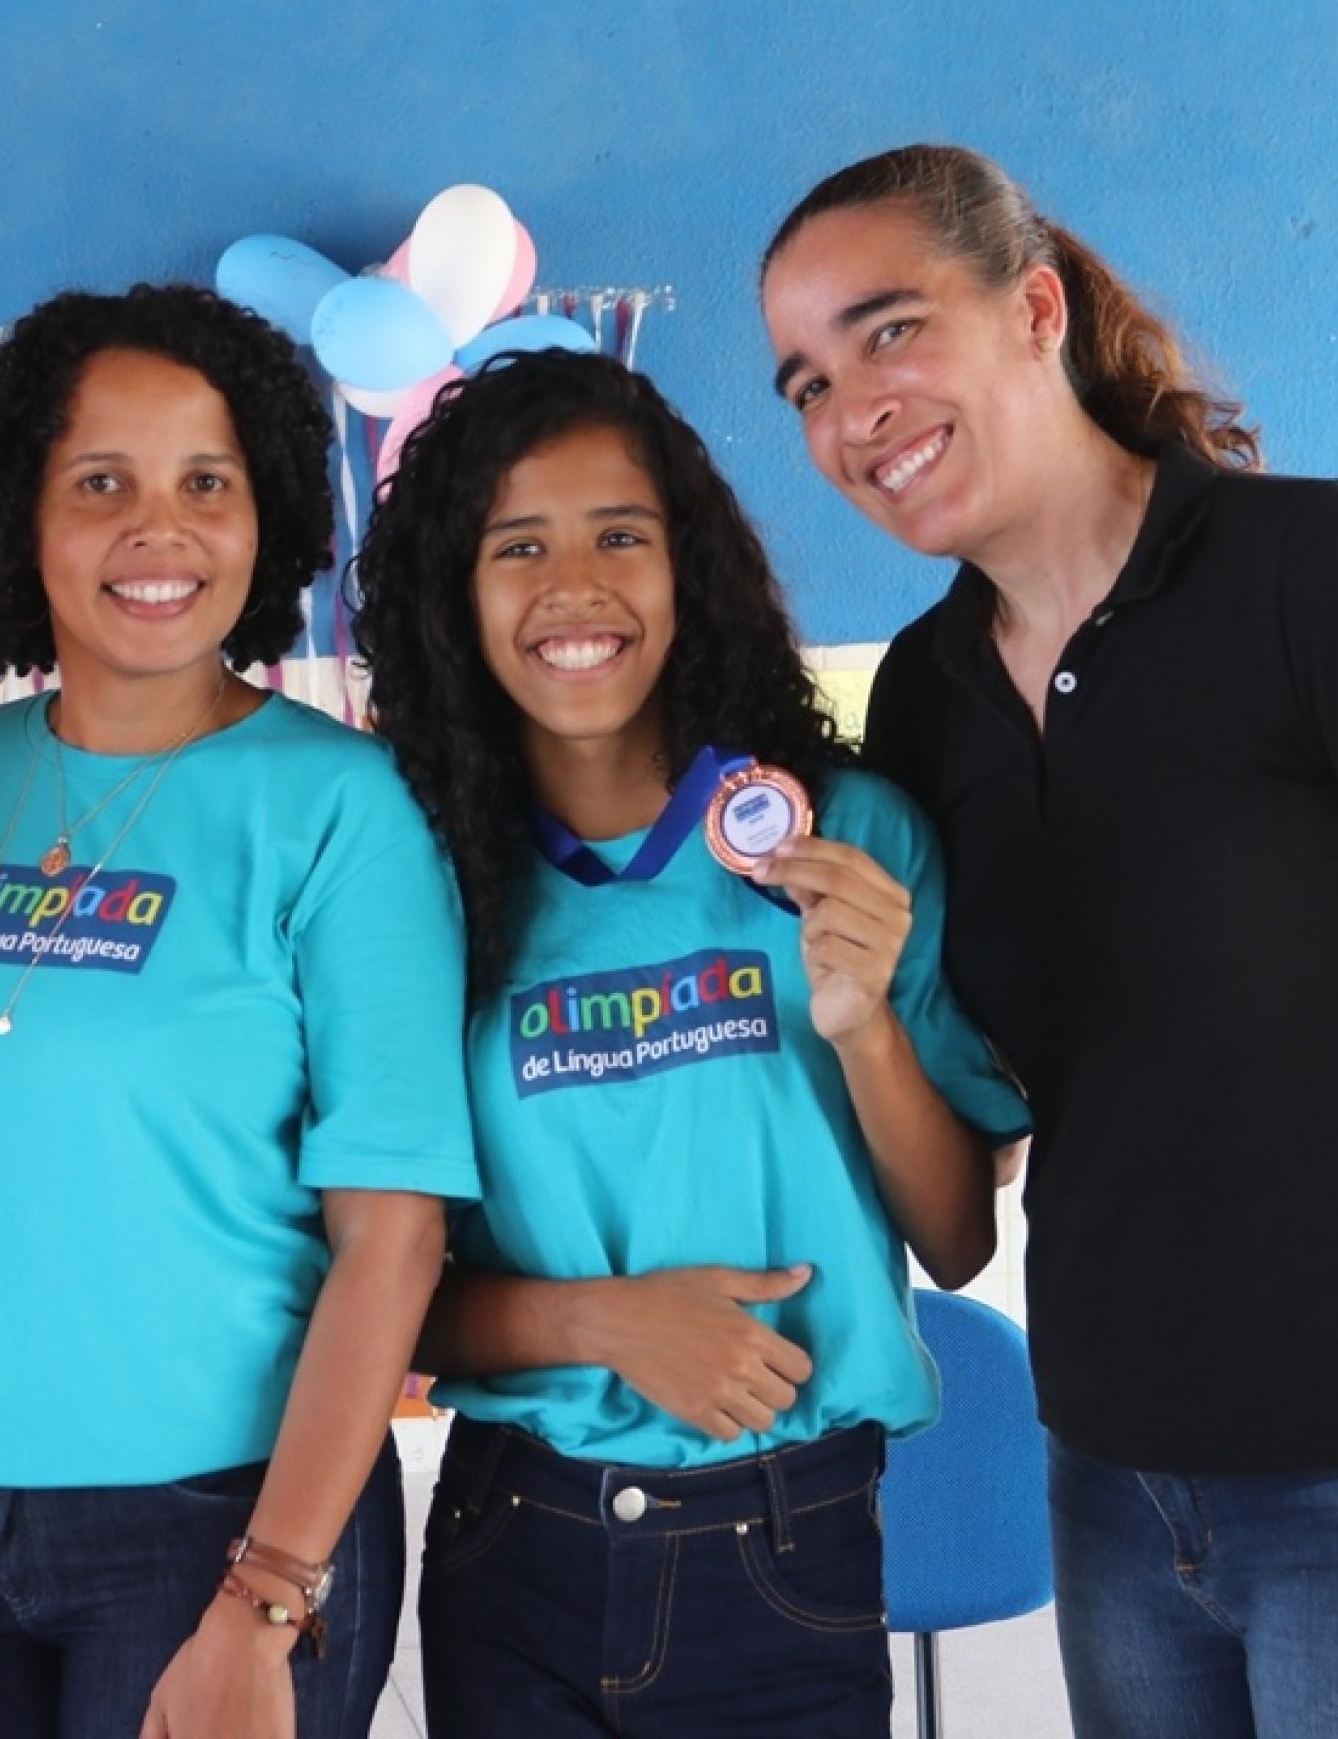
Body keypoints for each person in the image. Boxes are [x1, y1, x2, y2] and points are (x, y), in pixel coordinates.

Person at [758, 143, 1338, 1738]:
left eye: (891, 331)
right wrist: (850, 1023)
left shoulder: (1317, 570)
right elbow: (981, 1162)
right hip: (1113, 1487)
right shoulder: (923, 698)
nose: (854, 410)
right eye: (807, 386)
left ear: (1035, 308)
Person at [0, 283, 479, 1739]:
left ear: (270, 515)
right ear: (22, 513)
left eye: (206, 483)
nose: (158, 530)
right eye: (101, 482)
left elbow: (394, 1238)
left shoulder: (340, 808)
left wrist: (270, 1590)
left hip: (216, 1521)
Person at [349, 347, 1029, 1736]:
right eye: (517, 546)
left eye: (621, 536)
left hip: (788, 1541)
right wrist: (599, 1321)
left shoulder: (846, 836)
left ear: (689, 568)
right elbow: (373, 1284)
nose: (574, 586)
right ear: (452, 596)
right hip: (514, 1538)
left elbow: (961, 1239)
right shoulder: (414, 888)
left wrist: (862, 1025)